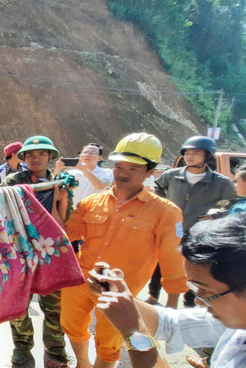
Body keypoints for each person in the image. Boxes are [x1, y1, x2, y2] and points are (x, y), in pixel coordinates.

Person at [61, 132, 188, 368]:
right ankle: (82, 363)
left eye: (133, 168)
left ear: (150, 172)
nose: (123, 173)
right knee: (71, 325)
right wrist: (58, 200)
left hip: (120, 290)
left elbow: (172, 258)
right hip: (81, 279)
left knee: (110, 340)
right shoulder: (92, 202)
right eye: (119, 166)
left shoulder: (165, 212)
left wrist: (172, 306)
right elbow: (67, 234)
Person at [86, 213, 246, 368]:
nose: (199, 302)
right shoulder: (236, 322)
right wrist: (118, 294)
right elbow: (171, 323)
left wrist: (134, 331)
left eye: (207, 291)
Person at [1, 135, 71, 368]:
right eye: (31, 154)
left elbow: (65, 220)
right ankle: (22, 348)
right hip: (21, 252)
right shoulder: (13, 181)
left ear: (50, 156)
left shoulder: (60, 182)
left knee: (54, 305)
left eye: (41, 153)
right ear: (24, 158)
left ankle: (55, 351)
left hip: (52, 252)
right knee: (19, 305)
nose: (36, 158)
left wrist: (61, 195)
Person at [148, 135, 238, 307]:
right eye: (187, 153)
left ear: (207, 157)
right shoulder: (172, 175)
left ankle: (189, 303)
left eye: (195, 153)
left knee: (191, 268)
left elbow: (235, 202)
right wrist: (162, 205)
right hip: (168, 228)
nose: (189, 157)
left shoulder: (220, 182)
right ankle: (153, 296)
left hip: (196, 232)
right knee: (160, 264)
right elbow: (157, 187)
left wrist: (216, 216)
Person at [54, 143, 114, 209]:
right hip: (74, 213)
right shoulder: (72, 172)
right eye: (85, 152)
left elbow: (101, 186)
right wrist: (57, 169)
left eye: (92, 153)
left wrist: (85, 171)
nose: (88, 155)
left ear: (100, 158)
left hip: (95, 212)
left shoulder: (106, 172)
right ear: (80, 156)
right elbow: (55, 187)